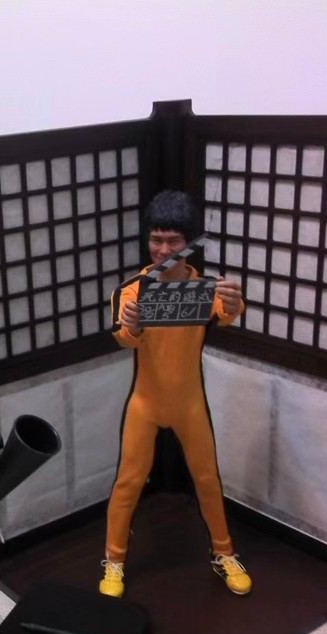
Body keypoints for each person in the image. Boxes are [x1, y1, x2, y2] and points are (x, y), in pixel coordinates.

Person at [99, 190, 252, 599]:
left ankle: (224, 553)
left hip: (190, 404)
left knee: (207, 479)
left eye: (173, 240)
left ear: (189, 243)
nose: (164, 249)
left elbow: (228, 316)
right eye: (156, 239)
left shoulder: (204, 288)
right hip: (145, 403)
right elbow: (124, 340)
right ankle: (114, 560)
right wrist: (132, 325)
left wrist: (235, 303)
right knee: (128, 481)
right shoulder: (131, 290)